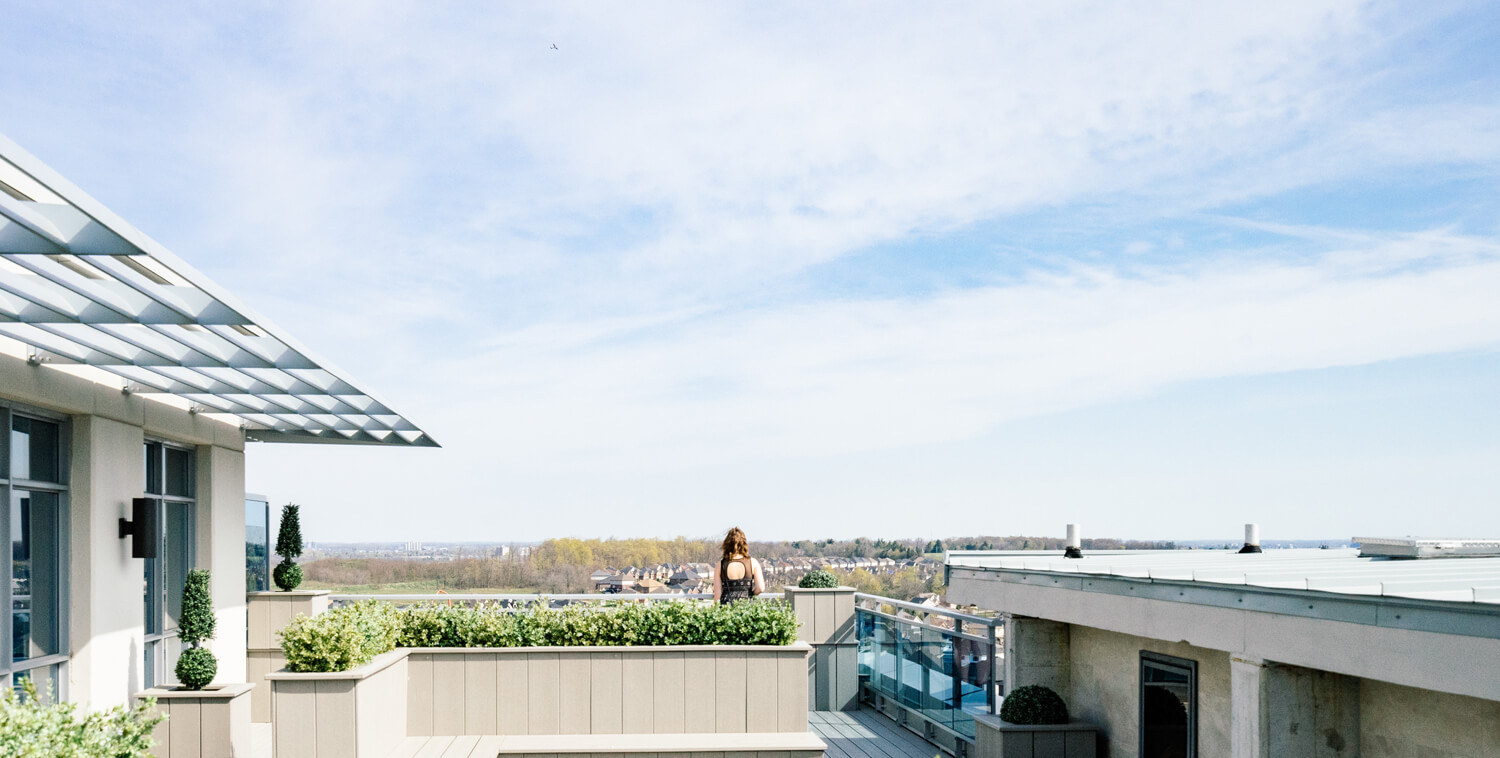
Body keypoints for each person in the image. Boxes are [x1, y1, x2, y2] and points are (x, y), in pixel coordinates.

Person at [713, 526, 765, 604]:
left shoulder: (720, 565)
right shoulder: (753, 562)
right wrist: (750, 594)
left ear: (727, 545)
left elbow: (717, 594)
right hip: (746, 606)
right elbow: (760, 588)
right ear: (744, 544)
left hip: (727, 606)